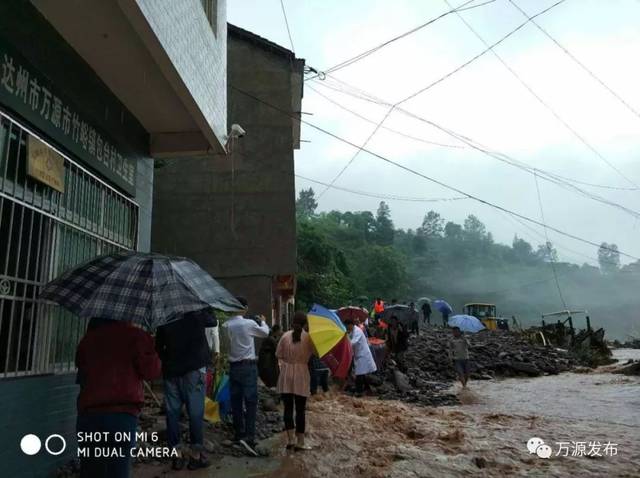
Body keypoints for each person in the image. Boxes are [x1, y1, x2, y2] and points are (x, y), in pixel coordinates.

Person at [76, 318, 161, 478]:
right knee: (118, 469)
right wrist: (151, 348)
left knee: (91, 470)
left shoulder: (89, 339)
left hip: (90, 414)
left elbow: (81, 369)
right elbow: (152, 372)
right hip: (122, 416)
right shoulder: (137, 336)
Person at [156, 309, 217, 470]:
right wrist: (205, 305)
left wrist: (169, 360)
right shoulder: (196, 313)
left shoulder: (165, 316)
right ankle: (196, 456)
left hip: (171, 372)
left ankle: (176, 457)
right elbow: (213, 321)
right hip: (194, 371)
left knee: (172, 413)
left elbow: (158, 347)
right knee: (195, 413)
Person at [222, 297, 269, 456]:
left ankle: (239, 434)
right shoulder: (248, 324)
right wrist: (263, 321)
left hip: (233, 367)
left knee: (236, 401)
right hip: (248, 367)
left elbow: (224, 346)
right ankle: (249, 436)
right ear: (245, 308)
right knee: (250, 402)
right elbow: (265, 333)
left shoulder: (226, 325)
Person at [276, 312, 315, 450]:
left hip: (286, 374)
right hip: (301, 374)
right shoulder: (309, 338)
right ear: (305, 324)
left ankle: (290, 440)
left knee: (287, 408)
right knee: (300, 410)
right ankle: (301, 442)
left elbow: (278, 354)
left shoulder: (285, 336)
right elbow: (316, 353)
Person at [345, 317, 377, 396]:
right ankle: (368, 389)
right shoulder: (352, 331)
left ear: (351, 325)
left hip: (363, 355)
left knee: (359, 373)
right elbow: (349, 338)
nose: (347, 328)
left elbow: (353, 342)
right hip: (359, 355)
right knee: (361, 373)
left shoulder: (358, 331)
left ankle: (359, 392)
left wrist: (346, 342)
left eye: (347, 326)